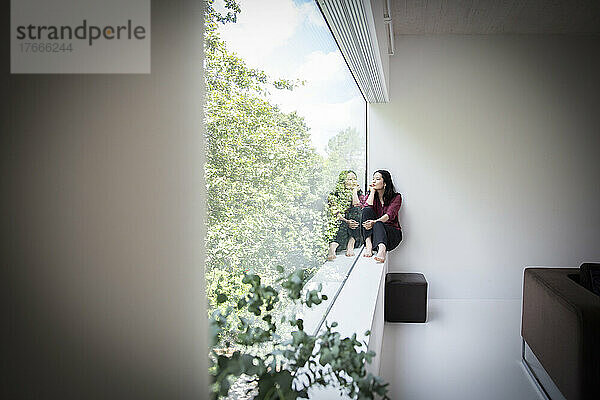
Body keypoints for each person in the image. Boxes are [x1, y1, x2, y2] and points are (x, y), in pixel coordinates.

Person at [362, 170, 402, 263]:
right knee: (366, 210)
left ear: (385, 183)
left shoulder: (396, 197)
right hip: (375, 236)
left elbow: (389, 215)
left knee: (378, 223)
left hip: (391, 235)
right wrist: (372, 192)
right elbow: (366, 209)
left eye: (377, 179)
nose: (374, 181)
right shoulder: (372, 197)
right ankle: (369, 246)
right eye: (373, 179)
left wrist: (374, 222)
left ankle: (382, 250)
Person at [327, 170, 364, 260]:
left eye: (354, 179)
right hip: (341, 226)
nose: (353, 182)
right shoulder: (335, 193)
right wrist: (346, 221)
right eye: (349, 179)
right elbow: (335, 212)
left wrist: (354, 191)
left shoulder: (359, 193)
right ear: (343, 181)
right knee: (341, 221)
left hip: (354, 229)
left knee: (356, 210)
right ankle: (332, 247)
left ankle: (351, 242)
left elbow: (357, 206)